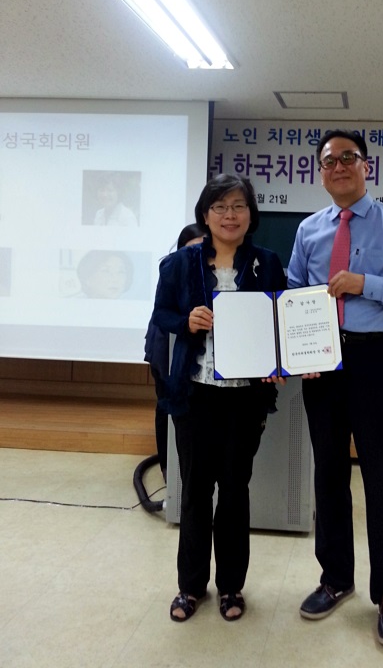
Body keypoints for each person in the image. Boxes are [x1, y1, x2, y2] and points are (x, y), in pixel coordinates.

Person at [287, 130, 383, 649]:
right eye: (329, 161)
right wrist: (299, 353)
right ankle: (335, 578)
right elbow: (294, 293)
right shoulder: (309, 230)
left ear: (366, 166)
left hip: (375, 357)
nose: (339, 166)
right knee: (328, 472)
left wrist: (363, 284)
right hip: (323, 362)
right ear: (320, 173)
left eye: (348, 157)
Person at [150, 174, 286, 624]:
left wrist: (280, 362)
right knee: (194, 492)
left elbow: (280, 323)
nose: (230, 215)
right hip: (195, 395)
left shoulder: (267, 263)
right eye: (220, 207)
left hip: (245, 398)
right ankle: (190, 587)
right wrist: (186, 320)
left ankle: (231, 586)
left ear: (251, 214)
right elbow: (162, 315)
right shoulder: (180, 263)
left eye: (239, 206)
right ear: (205, 215)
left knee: (234, 491)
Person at [144, 223, 207, 481]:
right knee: (165, 404)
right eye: (192, 249)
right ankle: (167, 470)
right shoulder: (173, 268)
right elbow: (163, 314)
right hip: (164, 347)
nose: (197, 255)